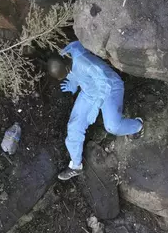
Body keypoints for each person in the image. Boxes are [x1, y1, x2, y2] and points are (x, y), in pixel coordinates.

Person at [48, 41, 143, 181]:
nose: (68, 74)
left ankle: (138, 126)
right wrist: (73, 84)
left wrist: (95, 107)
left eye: (67, 72)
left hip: (110, 88)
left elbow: (104, 83)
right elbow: (73, 74)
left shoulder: (85, 63)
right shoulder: (63, 56)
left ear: (67, 63)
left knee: (112, 126)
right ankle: (75, 166)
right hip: (89, 91)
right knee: (74, 126)